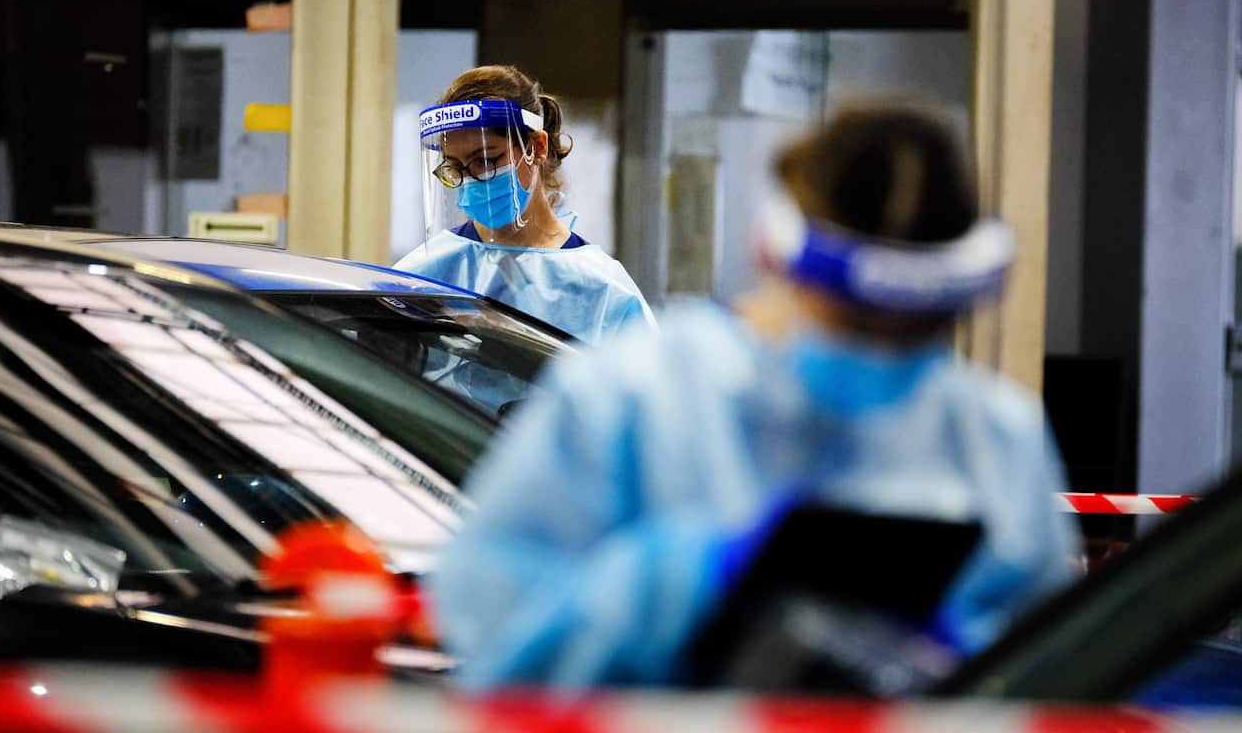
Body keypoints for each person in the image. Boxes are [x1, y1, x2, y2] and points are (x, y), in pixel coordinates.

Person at [428, 102, 1081, 691]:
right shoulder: (638, 394)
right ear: (773, 255)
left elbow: (1061, 673)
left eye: (918, 331)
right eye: (853, 318)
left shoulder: (995, 436)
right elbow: (491, 629)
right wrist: (675, 580)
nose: (882, 354)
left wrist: (972, 659)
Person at [395, 65, 655, 345]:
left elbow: (645, 383)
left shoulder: (603, 289)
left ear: (538, 147)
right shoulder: (426, 272)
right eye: (455, 167)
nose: (470, 180)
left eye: (485, 160)